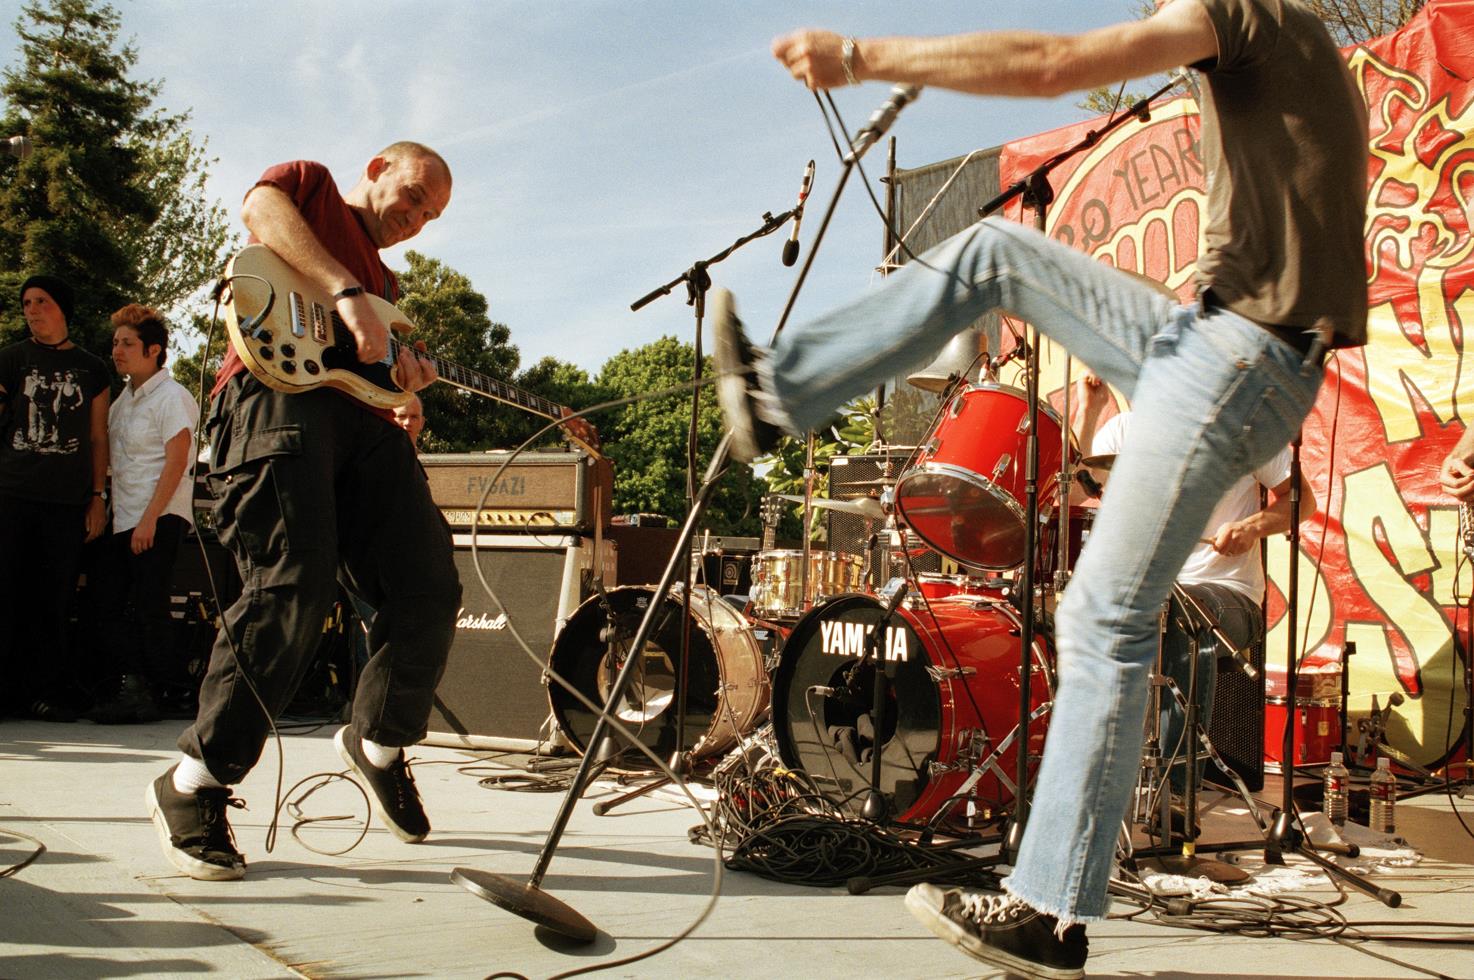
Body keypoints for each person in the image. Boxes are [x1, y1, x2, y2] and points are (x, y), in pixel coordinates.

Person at [715, 2, 1367, 975]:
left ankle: (1049, 908)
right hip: (1220, 342)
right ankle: (776, 394)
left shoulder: (1239, 10)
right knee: (996, 255)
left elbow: (1057, 61)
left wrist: (864, 57)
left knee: (1104, 611)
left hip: (1235, 355)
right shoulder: (1302, 40)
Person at [146, 142, 461, 882]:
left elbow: (380, 381)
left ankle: (377, 743)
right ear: (379, 167)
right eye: (412, 196)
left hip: (362, 429)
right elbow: (259, 208)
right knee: (293, 583)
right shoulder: (313, 190)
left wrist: (405, 387)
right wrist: (346, 292)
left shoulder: (387, 287)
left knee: (428, 585)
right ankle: (194, 781)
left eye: (430, 215)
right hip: (272, 399)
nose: (414, 218)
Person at [1090, 410, 1316, 808]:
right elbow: (1084, 496)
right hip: (1147, 597)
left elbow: (1303, 501)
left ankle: (1175, 790)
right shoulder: (1122, 430)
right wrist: (1090, 410)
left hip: (1229, 595)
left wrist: (1252, 527)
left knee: (1180, 609)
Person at [0, 275, 110, 722]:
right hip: (10, 494)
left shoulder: (92, 368)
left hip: (66, 502)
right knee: (5, 593)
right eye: (26, 302)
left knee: (53, 601)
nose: (31, 309)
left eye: (41, 301)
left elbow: (98, 436)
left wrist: (98, 496)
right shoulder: (9, 358)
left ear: (61, 308)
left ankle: (41, 692)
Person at [86, 304, 199, 724]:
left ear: (153, 350)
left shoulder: (172, 396)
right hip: (124, 517)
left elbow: (178, 458)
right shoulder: (124, 401)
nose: (117, 350)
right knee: (108, 601)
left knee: (149, 604)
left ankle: (152, 691)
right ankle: (130, 685)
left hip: (158, 516)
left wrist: (151, 517)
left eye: (127, 343)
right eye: (115, 343)